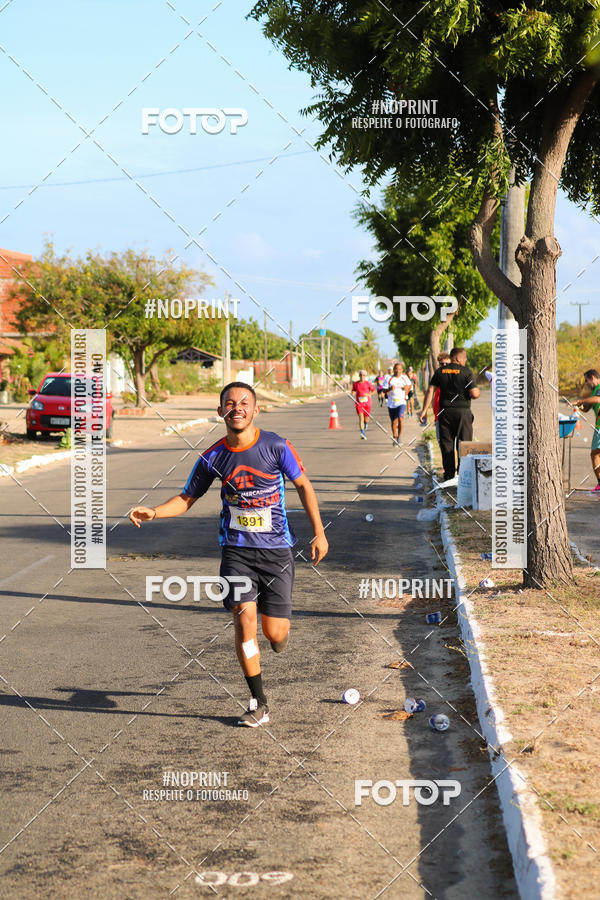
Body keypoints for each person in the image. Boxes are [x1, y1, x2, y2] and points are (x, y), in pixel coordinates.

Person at [128, 382, 328, 727]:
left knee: (275, 633)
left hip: (276, 552)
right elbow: (187, 498)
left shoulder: (276, 446)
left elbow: (303, 486)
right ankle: (258, 701)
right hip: (236, 552)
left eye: (245, 403)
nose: (238, 408)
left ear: (256, 410)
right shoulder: (212, 457)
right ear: (221, 411)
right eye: (230, 403)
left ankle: (278, 637)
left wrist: (320, 532)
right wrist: (155, 512)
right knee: (243, 619)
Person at [420, 348, 480, 481]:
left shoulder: (440, 372)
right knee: (464, 444)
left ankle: (449, 475)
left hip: (445, 413)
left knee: (447, 444)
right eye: (464, 359)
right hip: (463, 413)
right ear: (458, 358)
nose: (465, 361)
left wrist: (424, 411)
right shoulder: (466, 372)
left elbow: (431, 390)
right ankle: (463, 475)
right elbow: (475, 393)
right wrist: (475, 392)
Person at [572, 369, 600, 493]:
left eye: (586, 380)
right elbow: (588, 407)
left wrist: (580, 401)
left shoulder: (599, 387)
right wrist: (579, 407)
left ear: (592, 377)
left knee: (595, 454)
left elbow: (597, 400)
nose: (586, 383)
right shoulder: (594, 391)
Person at [387, 362, 411, 446]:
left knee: (400, 419)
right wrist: (390, 389)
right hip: (391, 403)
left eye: (399, 369)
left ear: (402, 370)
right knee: (393, 422)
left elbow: (410, 386)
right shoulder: (389, 379)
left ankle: (399, 437)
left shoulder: (404, 378)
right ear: (393, 370)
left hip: (401, 402)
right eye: (396, 369)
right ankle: (395, 437)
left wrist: (406, 388)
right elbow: (383, 390)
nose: (397, 371)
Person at [431, 352, 451, 444]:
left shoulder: (454, 377)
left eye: (447, 364)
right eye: (442, 364)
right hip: (438, 415)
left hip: (450, 415)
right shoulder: (437, 376)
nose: (444, 366)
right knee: (441, 443)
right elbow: (430, 391)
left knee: (452, 443)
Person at [352, 370, 376, 439]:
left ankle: (366, 424)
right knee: (361, 418)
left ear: (365, 376)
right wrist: (353, 392)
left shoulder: (368, 383)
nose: (362, 376)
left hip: (367, 404)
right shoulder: (356, 384)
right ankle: (362, 433)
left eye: (363, 375)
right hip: (359, 403)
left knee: (367, 419)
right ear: (359, 376)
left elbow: (374, 391)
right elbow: (353, 390)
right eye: (361, 375)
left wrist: (369, 394)